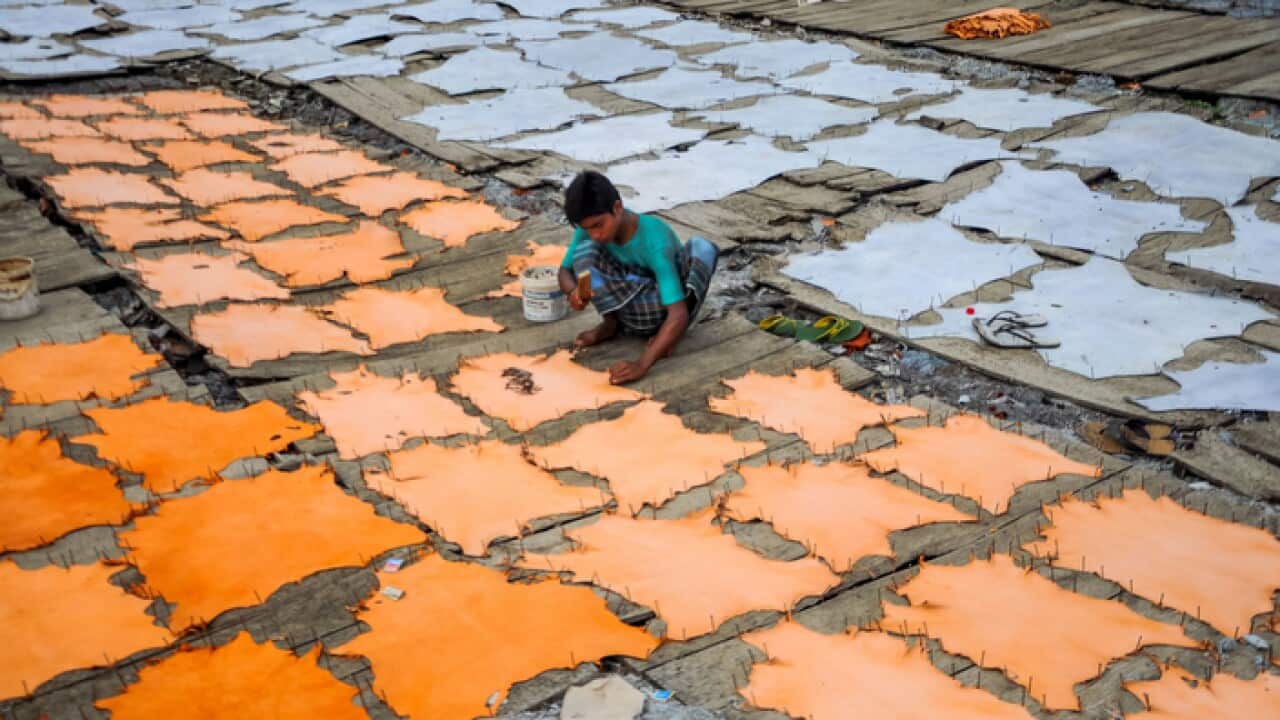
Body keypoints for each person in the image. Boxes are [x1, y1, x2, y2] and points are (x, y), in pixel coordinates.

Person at [557, 171, 718, 385]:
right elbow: (564, 271)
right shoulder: (590, 230)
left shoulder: (654, 242)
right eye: (586, 228)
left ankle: (667, 337)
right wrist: (574, 293)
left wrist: (642, 364)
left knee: (702, 248)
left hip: (659, 312)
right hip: (628, 307)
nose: (594, 234)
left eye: (598, 225)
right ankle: (610, 323)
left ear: (617, 208)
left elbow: (677, 312)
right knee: (584, 253)